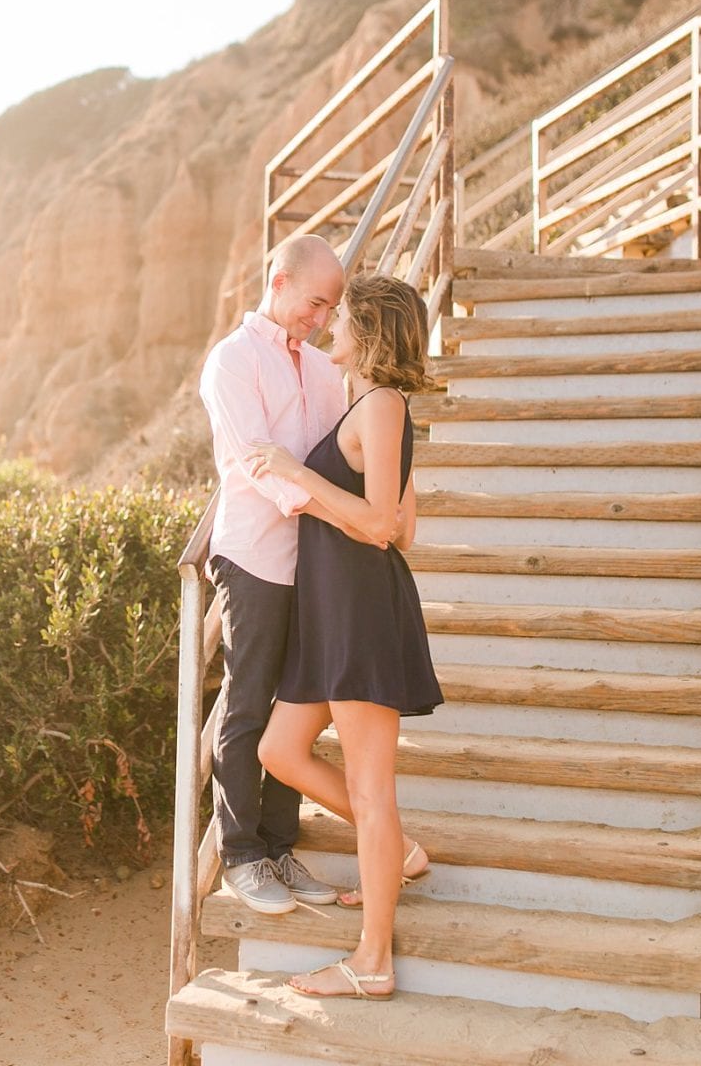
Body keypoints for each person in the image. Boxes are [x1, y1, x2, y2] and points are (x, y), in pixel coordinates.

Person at [247, 270, 443, 1000]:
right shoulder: (370, 405)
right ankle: (398, 854)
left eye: (341, 315)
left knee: (370, 790)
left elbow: (384, 528)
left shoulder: (385, 404)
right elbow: (405, 520)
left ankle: (373, 963)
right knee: (280, 750)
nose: (329, 323)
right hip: (336, 611)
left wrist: (300, 476)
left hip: (360, 612)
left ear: (367, 330)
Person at [197, 233, 349, 914]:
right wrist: (335, 511)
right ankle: (241, 853)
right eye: (315, 303)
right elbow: (257, 460)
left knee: (296, 710)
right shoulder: (231, 361)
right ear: (280, 281)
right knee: (249, 700)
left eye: (330, 310)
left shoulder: (324, 372)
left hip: (313, 559)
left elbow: (334, 456)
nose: (320, 320)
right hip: (255, 553)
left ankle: (282, 849)